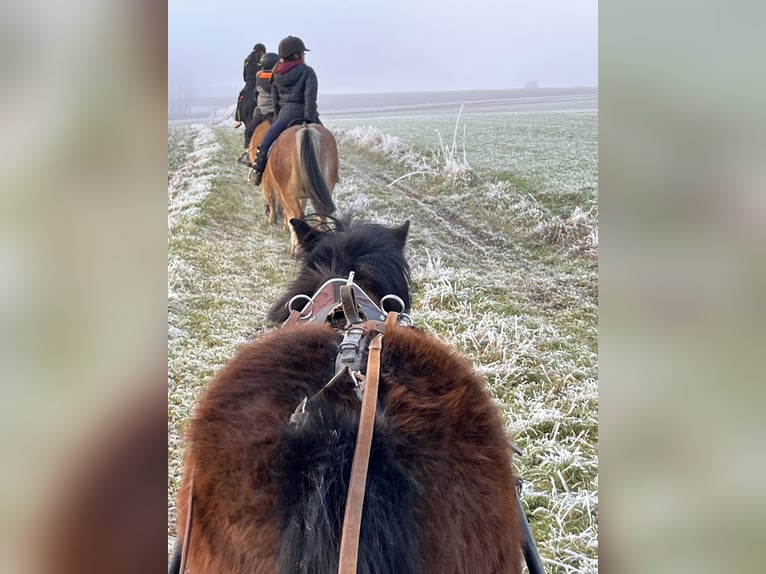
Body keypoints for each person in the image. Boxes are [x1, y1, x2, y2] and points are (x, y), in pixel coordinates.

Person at [250, 36, 321, 186]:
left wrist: (278, 118)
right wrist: (309, 119)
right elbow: (310, 99)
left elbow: (276, 103)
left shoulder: (276, 73)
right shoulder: (308, 71)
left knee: (266, 142)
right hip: (306, 115)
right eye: (303, 53)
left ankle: (257, 171)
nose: (304, 56)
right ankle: (332, 172)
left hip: (284, 117)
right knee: (328, 142)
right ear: (296, 55)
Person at [238, 52, 279, 166]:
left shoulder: (259, 78)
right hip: (276, 113)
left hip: (262, 113)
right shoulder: (279, 77)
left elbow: (255, 95)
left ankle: (248, 155)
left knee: (249, 131)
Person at [233, 43, 266, 153]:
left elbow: (244, 77)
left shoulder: (246, 61)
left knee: (240, 97)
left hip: (247, 86)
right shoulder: (262, 61)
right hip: (257, 85)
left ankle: (237, 120)